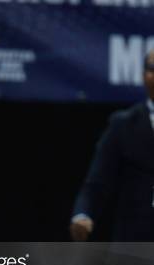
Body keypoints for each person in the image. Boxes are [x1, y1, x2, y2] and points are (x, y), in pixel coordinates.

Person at [70, 49, 154, 242]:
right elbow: (97, 182)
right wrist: (82, 215)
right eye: (153, 68)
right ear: (143, 75)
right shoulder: (122, 124)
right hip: (133, 243)